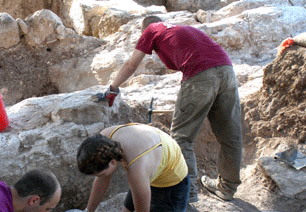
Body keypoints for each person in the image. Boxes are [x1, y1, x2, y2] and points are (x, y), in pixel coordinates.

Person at [100, 16, 242, 202]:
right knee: (230, 136)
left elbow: (131, 65)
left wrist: (113, 88)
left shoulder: (151, 29)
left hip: (200, 75)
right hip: (227, 71)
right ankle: (227, 189)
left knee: (182, 137)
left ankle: (187, 192)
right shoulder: (183, 30)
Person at [64, 123, 215, 212]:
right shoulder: (102, 143)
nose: (99, 177)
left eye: (101, 173)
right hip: (150, 176)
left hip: (172, 184)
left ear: (111, 163)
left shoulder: (136, 168)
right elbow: (103, 179)